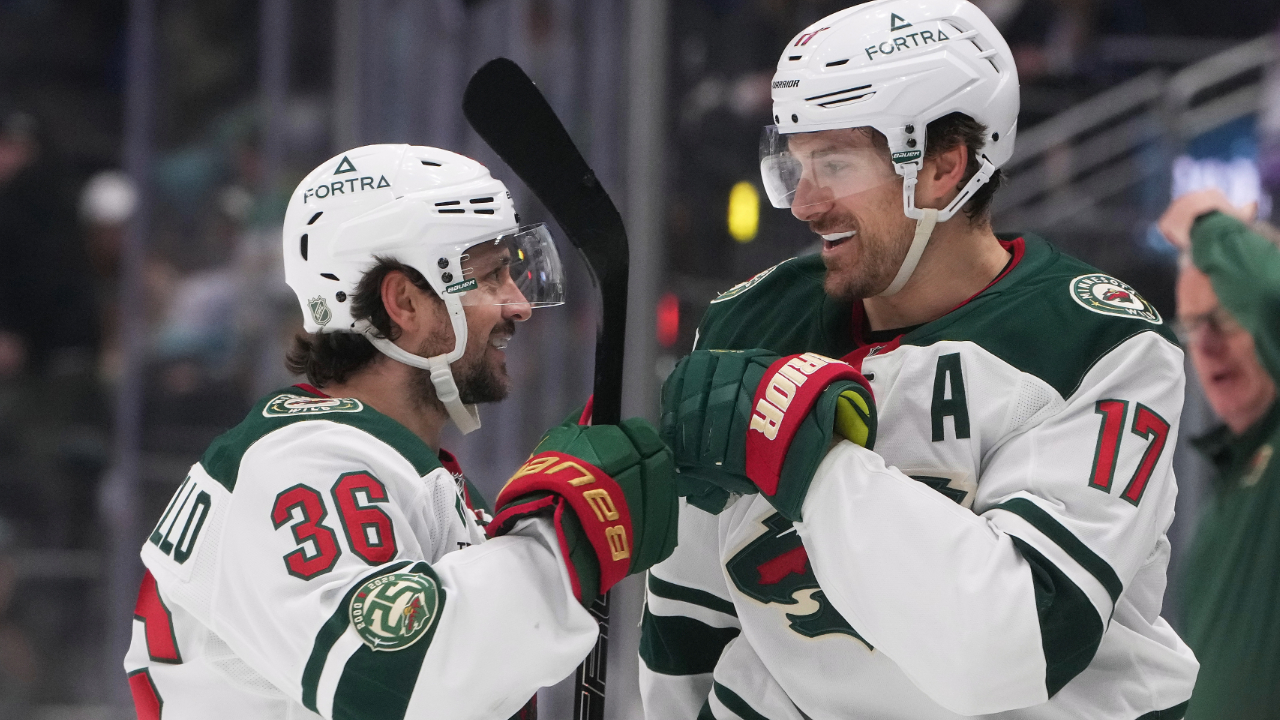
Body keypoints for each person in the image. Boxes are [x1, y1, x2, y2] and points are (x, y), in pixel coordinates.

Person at [639, 2, 1198, 718]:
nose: (804, 203)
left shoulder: (1096, 344)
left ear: (942, 167)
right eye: (797, 164)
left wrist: (813, 463)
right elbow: (688, 617)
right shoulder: (750, 323)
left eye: (834, 165)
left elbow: (1013, 648)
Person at [122, 144, 679, 720]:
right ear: (405, 302)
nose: (518, 305)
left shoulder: (380, 465)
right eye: (490, 276)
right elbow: (391, 679)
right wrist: (562, 542)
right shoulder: (300, 466)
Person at [1158, 189, 1280, 720]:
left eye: (1225, 316)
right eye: (1192, 325)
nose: (1205, 347)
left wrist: (1206, 223)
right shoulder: (1226, 489)